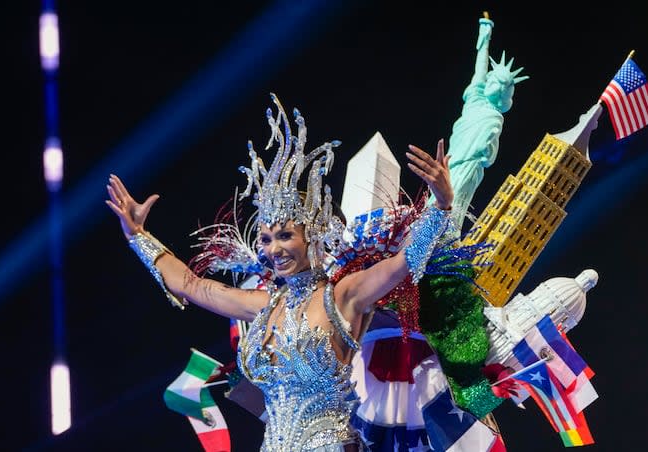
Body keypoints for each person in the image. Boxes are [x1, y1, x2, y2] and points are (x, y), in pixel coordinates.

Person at [105, 94, 456, 451]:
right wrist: (138, 237)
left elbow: (403, 263)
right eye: (267, 239)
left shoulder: (342, 296)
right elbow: (191, 284)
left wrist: (442, 206)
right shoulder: (262, 305)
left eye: (286, 236)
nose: (274, 249)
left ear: (312, 236)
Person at [439, 14, 528, 229]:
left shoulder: (494, 116)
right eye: (490, 79)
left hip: (469, 167)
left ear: (502, 92)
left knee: (453, 206)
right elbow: (480, 67)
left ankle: (442, 248)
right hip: (452, 161)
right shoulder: (475, 99)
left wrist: (483, 150)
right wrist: (485, 37)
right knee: (437, 202)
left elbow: (488, 156)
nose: (489, 81)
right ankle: (424, 245)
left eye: (496, 82)